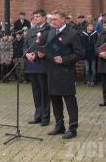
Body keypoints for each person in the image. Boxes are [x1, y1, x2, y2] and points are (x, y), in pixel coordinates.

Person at [41, 10, 84, 139]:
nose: (53, 21)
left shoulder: (72, 34)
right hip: (52, 72)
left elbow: (80, 53)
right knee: (55, 99)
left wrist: (64, 60)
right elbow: (49, 50)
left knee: (69, 100)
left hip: (65, 73)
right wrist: (42, 55)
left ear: (64, 20)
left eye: (55, 19)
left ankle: (73, 128)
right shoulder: (50, 33)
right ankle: (59, 126)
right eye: (52, 19)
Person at [24, 9, 51, 126]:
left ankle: (45, 117)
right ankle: (37, 115)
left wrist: (39, 53)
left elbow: (49, 45)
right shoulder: (30, 31)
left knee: (44, 92)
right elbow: (25, 46)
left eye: (38, 16)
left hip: (43, 64)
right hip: (31, 64)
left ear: (44, 18)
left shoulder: (49, 29)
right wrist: (27, 54)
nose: (35, 19)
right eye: (34, 17)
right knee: (36, 92)